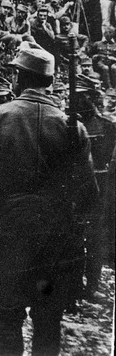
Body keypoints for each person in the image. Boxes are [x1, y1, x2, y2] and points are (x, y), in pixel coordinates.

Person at [0, 42, 98, 356]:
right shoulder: (72, 127)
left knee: (8, 321)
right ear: (49, 81)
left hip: (9, 235)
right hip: (56, 239)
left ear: (20, 78)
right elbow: (88, 193)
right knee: (48, 321)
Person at [71, 75, 116, 303]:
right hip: (75, 188)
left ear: (92, 97)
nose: (78, 101)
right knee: (74, 239)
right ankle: (74, 285)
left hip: (101, 190)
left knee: (96, 239)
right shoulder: (68, 124)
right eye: (76, 96)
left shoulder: (108, 126)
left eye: (83, 96)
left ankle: (92, 285)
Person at [89, 28, 116, 92]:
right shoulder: (97, 44)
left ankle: (115, 86)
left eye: (111, 33)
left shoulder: (115, 45)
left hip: (113, 62)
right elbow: (90, 53)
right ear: (104, 34)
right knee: (105, 68)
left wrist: (114, 58)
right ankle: (108, 87)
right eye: (107, 33)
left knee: (114, 68)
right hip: (101, 61)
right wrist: (95, 56)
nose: (108, 35)